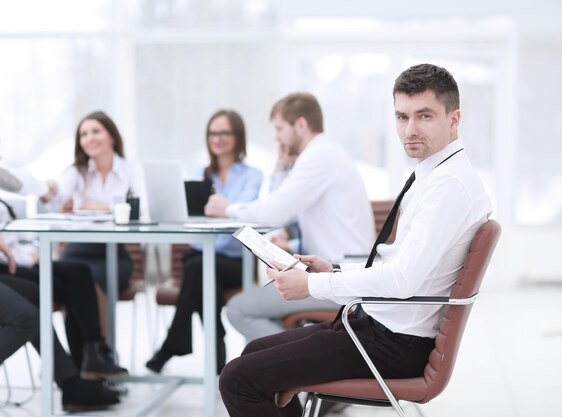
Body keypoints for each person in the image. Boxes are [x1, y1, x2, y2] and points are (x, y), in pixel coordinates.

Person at [218, 64, 493, 417]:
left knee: (236, 379)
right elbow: (403, 266)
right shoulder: (435, 174)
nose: (410, 130)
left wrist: (314, 284)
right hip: (379, 324)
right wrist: (332, 267)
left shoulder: (448, 187)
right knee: (254, 352)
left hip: (391, 341)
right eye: (401, 116)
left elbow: (403, 279)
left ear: (454, 119)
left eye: (424, 116)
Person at [0, 97, 119, 417]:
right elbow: (3, 176)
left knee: (35, 297)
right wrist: (44, 189)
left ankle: (70, 382)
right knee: (27, 317)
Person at [206, 93, 375, 342]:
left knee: (239, 309)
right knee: (267, 298)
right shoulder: (326, 154)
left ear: (301, 125)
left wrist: (227, 208)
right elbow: (282, 212)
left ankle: (302, 360)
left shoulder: (318, 157)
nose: (276, 137)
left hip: (337, 278)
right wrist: (282, 167)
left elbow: (273, 211)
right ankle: (294, 363)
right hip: (335, 270)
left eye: (279, 128)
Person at [0, 132, 128, 379]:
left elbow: (8, 241)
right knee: (69, 284)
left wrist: (32, 254)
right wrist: (31, 258)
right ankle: (76, 371)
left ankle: (92, 356)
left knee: (78, 272)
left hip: (19, 260)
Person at [146, 109, 263, 374]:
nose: (217, 138)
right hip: (201, 258)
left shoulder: (252, 175)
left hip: (234, 261)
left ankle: (174, 344)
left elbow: (242, 213)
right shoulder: (199, 173)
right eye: (212, 133)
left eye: (224, 133)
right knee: (198, 267)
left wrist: (225, 207)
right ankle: (214, 337)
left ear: (237, 136)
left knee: (197, 267)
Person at [54, 111, 146, 292]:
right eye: (84, 134)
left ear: (112, 136)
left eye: (96, 131)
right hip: (77, 249)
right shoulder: (75, 172)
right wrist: (116, 208)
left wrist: (97, 207)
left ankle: (95, 322)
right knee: (68, 281)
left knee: (87, 282)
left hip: (113, 252)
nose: (89, 138)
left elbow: (143, 207)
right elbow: (57, 198)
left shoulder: (132, 170)